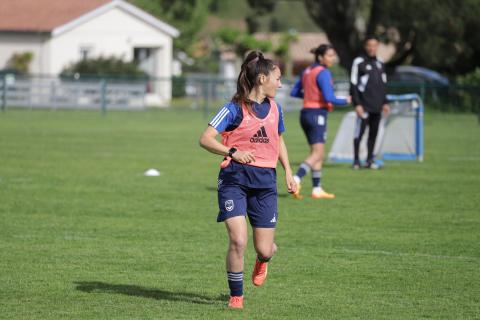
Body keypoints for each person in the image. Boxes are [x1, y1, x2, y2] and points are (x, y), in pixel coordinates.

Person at [199, 51, 297, 309]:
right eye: (277, 78)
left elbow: (279, 140)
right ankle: (236, 296)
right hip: (234, 181)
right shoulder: (233, 108)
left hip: (265, 183)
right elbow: (205, 138)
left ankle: (262, 261)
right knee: (238, 240)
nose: (280, 83)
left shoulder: (276, 108)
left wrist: (288, 170)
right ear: (262, 78)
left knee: (265, 249)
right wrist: (233, 151)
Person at [290, 44, 351, 200]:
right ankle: (295, 180)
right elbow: (329, 97)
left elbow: (294, 92)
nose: (333, 59)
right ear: (321, 57)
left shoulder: (307, 71)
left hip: (305, 114)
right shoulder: (323, 73)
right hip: (317, 114)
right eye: (330, 55)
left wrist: (310, 97)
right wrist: (346, 100)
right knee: (317, 153)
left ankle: (317, 189)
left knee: (317, 154)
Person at [350, 35, 390, 169]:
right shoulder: (358, 62)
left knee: (373, 134)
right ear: (365, 46)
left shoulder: (380, 62)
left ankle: (369, 160)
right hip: (364, 106)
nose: (372, 48)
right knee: (359, 133)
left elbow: (384, 84)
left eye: (374, 45)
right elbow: (353, 84)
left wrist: (385, 102)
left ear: (377, 46)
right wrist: (357, 104)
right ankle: (356, 161)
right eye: (369, 45)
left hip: (377, 106)